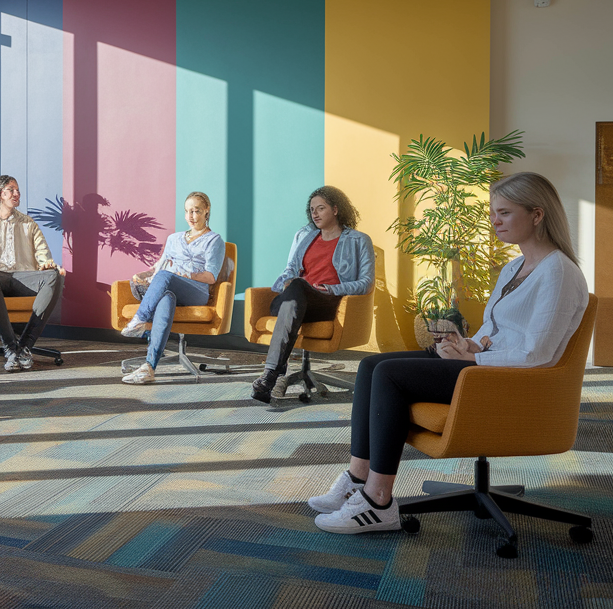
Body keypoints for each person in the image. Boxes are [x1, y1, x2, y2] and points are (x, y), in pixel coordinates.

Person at [310, 172, 589, 534]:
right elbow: (496, 330)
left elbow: (537, 353)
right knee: (371, 365)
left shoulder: (559, 273)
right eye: (493, 212)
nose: (495, 221)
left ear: (537, 215)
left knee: (390, 376)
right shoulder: (514, 267)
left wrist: (473, 359)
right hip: (485, 365)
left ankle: (378, 500)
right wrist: (469, 344)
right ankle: (357, 478)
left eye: (504, 213)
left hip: (509, 381)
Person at [251, 186, 375, 403]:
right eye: (312, 209)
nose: (315, 214)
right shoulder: (303, 235)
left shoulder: (358, 240)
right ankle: (273, 374)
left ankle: (271, 374)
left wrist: (331, 289)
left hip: (325, 302)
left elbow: (366, 283)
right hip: (293, 300)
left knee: (298, 288)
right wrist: (287, 280)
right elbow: (290, 269)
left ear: (335, 210)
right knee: (296, 287)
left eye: (321, 208)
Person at [118, 192, 226, 385]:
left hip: (196, 291)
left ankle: (140, 319)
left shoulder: (214, 240)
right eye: (187, 211)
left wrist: (186, 275)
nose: (191, 216)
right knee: (166, 297)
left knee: (166, 277)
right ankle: (149, 367)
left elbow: (210, 277)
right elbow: (158, 267)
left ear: (206, 211)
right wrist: (143, 275)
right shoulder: (173, 239)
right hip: (168, 284)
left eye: (196, 211)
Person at [0, 175, 65, 371]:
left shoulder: (29, 224)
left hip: (23, 278)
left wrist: (47, 264)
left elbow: (43, 253)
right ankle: (11, 346)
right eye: (11, 190)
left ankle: (23, 347)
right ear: (0, 194)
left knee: (54, 275)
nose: (16, 194)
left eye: (18, 190)